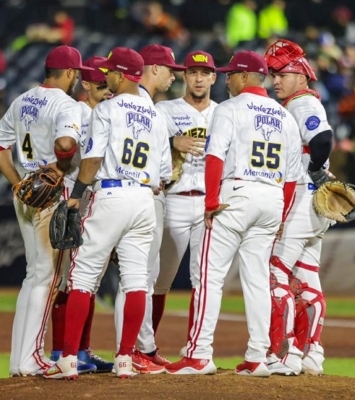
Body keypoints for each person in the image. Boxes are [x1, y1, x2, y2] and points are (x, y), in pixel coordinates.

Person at [166, 50, 302, 377]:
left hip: (237, 194)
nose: (226, 80)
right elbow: (293, 176)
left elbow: (214, 157)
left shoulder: (229, 108)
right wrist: (281, 216)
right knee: (256, 278)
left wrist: (210, 201)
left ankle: (199, 354)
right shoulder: (285, 116)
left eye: (230, 75)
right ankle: (258, 357)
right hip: (271, 197)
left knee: (209, 277)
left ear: (243, 77)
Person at [43, 47, 172, 379]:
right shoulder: (158, 115)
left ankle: (68, 359)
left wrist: (76, 196)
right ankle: (126, 359)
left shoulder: (107, 109)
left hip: (111, 194)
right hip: (145, 199)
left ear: (123, 75)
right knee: (135, 282)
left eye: (111, 72)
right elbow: (163, 175)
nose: (107, 77)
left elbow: (92, 159)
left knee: (83, 277)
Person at [0, 45, 93, 376]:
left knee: (32, 276)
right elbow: (66, 144)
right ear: (69, 73)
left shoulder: (23, 99)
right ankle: (31, 358)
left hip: (26, 193)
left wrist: (18, 182)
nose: (77, 78)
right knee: (46, 277)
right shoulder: (66, 105)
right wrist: (60, 166)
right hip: (52, 194)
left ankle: (19, 360)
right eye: (76, 73)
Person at [111, 44, 187, 372]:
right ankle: (128, 350)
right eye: (170, 69)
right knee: (137, 276)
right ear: (153, 68)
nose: (174, 75)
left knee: (148, 275)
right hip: (140, 195)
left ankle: (144, 346)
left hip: (148, 195)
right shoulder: (141, 104)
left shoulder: (147, 104)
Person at [263, 38, 334, 376]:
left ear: (300, 74)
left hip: (302, 203)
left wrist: (316, 170)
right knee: (306, 280)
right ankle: (312, 353)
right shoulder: (300, 102)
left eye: (280, 73)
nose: (274, 80)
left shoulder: (301, 103)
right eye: (272, 74)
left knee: (276, 272)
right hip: (315, 209)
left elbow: (321, 139)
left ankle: (284, 352)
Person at [49, 56, 114, 375]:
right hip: (73, 199)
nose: (106, 88)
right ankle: (60, 350)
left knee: (88, 281)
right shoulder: (75, 110)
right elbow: (63, 149)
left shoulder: (109, 112)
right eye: (100, 84)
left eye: (108, 82)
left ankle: (83, 350)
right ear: (85, 84)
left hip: (97, 201)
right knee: (65, 281)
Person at [152, 50, 218, 350]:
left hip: (209, 204)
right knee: (159, 281)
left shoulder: (223, 112)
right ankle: (145, 347)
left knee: (203, 280)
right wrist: (171, 142)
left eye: (205, 73)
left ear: (214, 77)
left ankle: (195, 348)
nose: (199, 78)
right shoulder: (165, 111)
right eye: (193, 72)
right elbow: (147, 148)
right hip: (174, 200)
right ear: (184, 76)